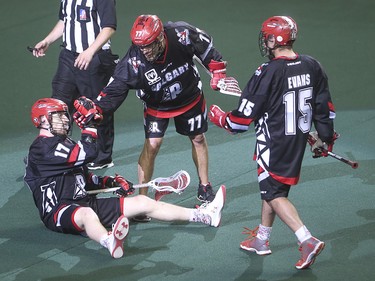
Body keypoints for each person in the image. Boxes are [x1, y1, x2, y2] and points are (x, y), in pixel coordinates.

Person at [78, 14, 240, 221]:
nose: (144, 51)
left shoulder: (181, 34)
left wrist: (217, 72)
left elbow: (205, 47)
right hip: (157, 106)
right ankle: (141, 202)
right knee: (152, 145)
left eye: (148, 45)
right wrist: (98, 108)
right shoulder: (133, 61)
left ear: (161, 37)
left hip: (190, 97)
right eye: (140, 46)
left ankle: (205, 186)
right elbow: (115, 88)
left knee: (198, 138)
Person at [24, 97, 226, 259]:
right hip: (58, 211)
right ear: (41, 120)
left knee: (143, 202)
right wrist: (89, 126)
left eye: (65, 115)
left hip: (82, 201)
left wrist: (110, 182)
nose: (66, 120)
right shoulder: (41, 147)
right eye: (58, 116)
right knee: (86, 214)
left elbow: (84, 179)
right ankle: (108, 240)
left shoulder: (64, 142)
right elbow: (88, 153)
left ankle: (204, 215)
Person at [209, 16, 337, 269]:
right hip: (297, 140)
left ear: (273, 40)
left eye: (266, 37)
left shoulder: (266, 72)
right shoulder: (312, 65)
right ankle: (262, 240)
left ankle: (307, 240)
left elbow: (240, 122)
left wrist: (220, 118)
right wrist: (325, 138)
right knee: (273, 189)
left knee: (274, 193)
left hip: (273, 143)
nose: (264, 42)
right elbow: (324, 108)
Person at [30, 0, 118, 170]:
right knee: (57, 106)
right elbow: (65, 20)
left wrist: (90, 51)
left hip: (94, 57)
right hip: (69, 56)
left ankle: (102, 157)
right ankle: (53, 152)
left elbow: (109, 27)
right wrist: (47, 40)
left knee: (95, 109)